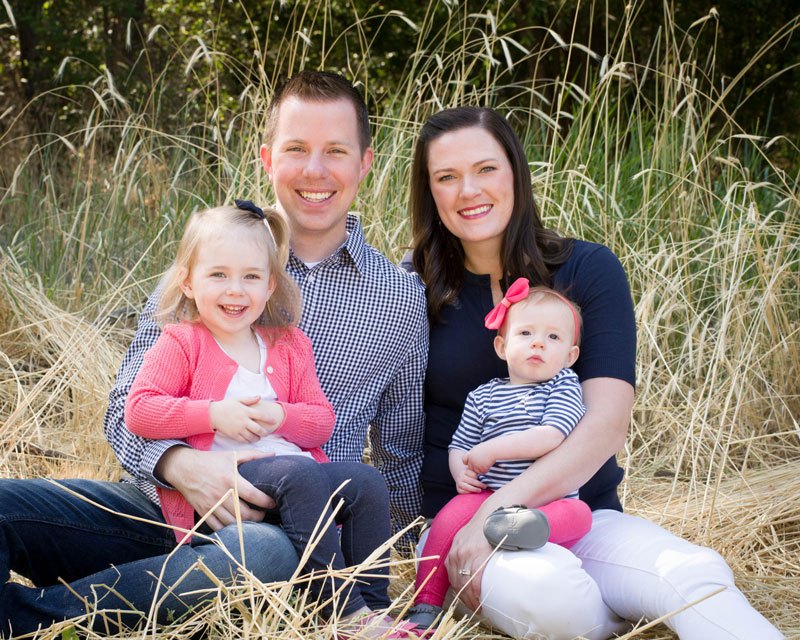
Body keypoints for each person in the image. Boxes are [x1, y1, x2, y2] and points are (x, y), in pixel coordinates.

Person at [0, 71, 427, 637]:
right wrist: (184, 466)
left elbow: (401, 452)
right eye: (296, 149)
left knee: (262, 554)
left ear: (365, 163)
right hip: (168, 506)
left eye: (336, 152)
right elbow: (127, 405)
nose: (315, 171)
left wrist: (422, 570)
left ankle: (34, 621)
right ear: (268, 158)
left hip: (285, 542)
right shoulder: (210, 260)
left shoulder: (398, 297)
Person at [409, 106, 785, 639]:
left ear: (516, 172)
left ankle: (634, 605)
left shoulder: (587, 268)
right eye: (446, 177)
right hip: (459, 524)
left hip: (577, 511)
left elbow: (606, 423)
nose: (469, 189)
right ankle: (617, 616)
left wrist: (499, 508)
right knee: (549, 595)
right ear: (431, 193)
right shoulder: (409, 288)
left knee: (693, 573)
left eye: (486, 168)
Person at [124, 201, 415, 637]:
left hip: (294, 478)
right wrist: (212, 415)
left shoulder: (288, 344)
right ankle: (340, 610)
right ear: (187, 282)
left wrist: (280, 415)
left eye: (251, 277)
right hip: (234, 485)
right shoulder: (182, 342)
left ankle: (374, 609)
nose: (235, 290)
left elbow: (321, 422)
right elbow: (140, 409)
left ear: (270, 284)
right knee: (297, 473)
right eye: (218, 275)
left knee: (366, 481)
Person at [406, 282, 592, 630]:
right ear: (503, 346)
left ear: (570, 356)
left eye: (553, 338)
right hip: (486, 495)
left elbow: (550, 436)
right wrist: (460, 471)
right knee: (444, 523)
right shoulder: (483, 396)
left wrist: (492, 449)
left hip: (546, 497)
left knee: (580, 514)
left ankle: (524, 529)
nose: (538, 343)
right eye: (526, 333)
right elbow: (461, 444)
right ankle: (426, 604)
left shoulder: (563, 386)